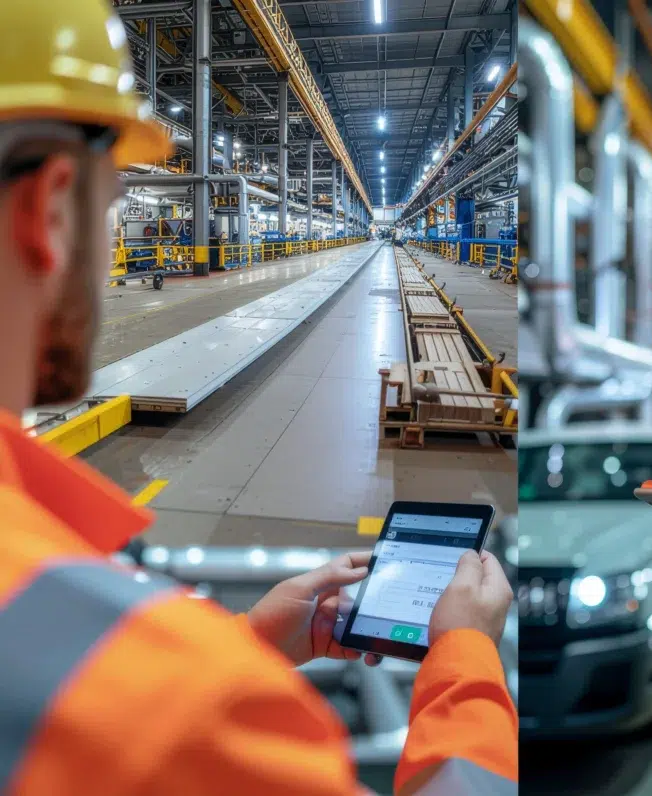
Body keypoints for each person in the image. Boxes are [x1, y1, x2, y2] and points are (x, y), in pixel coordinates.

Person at [0, 1, 517, 794]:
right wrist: (467, 661)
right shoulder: (186, 713)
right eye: (110, 207)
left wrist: (244, 640)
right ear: (53, 209)